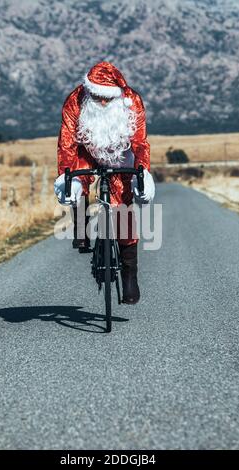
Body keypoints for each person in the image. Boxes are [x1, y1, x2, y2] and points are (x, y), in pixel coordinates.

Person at [54, 62, 155, 304]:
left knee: (122, 205)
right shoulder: (75, 100)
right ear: (89, 91)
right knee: (74, 181)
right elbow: (67, 141)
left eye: (106, 99)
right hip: (86, 148)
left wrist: (141, 173)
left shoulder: (132, 100)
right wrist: (66, 174)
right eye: (96, 97)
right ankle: (80, 227)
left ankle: (130, 275)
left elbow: (140, 142)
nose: (100, 102)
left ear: (116, 95)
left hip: (121, 151)